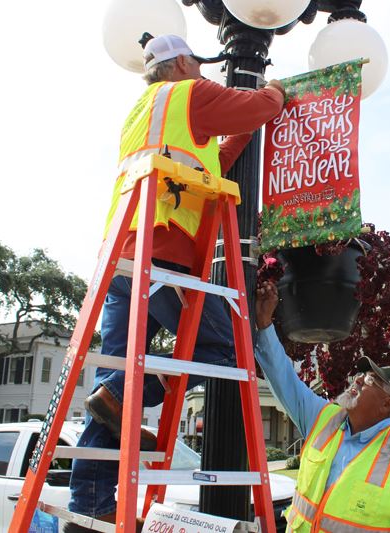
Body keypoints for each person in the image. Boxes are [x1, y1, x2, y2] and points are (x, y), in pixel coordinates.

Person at [65, 34, 286, 531]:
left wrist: (239, 140)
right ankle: (130, 391)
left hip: (122, 257)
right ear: (182, 62)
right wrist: (274, 90)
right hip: (159, 256)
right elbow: (257, 107)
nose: (203, 72)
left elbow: (204, 165)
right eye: (198, 65)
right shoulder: (191, 93)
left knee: (109, 384)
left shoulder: (144, 110)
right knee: (227, 348)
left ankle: (88, 504)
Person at [255, 281, 390, 532]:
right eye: (361, 374)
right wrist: (264, 323)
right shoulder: (323, 418)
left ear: (387, 403)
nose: (358, 379)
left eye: (370, 379)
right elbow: (283, 378)